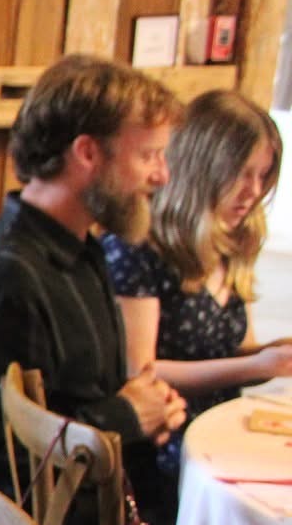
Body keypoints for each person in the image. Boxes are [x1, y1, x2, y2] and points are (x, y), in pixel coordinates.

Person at [0, 54, 186, 525]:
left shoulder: (82, 250)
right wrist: (126, 418)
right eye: (148, 156)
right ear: (87, 153)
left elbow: (84, 398)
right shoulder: (1, 281)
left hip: (109, 518)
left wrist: (146, 412)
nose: (162, 176)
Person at [104, 88, 289, 461]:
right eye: (242, 174)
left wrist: (274, 354)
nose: (253, 192)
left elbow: (235, 353)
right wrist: (253, 366)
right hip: (161, 439)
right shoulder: (139, 247)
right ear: (202, 168)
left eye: (262, 176)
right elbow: (139, 372)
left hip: (218, 428)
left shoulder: (232, 240)